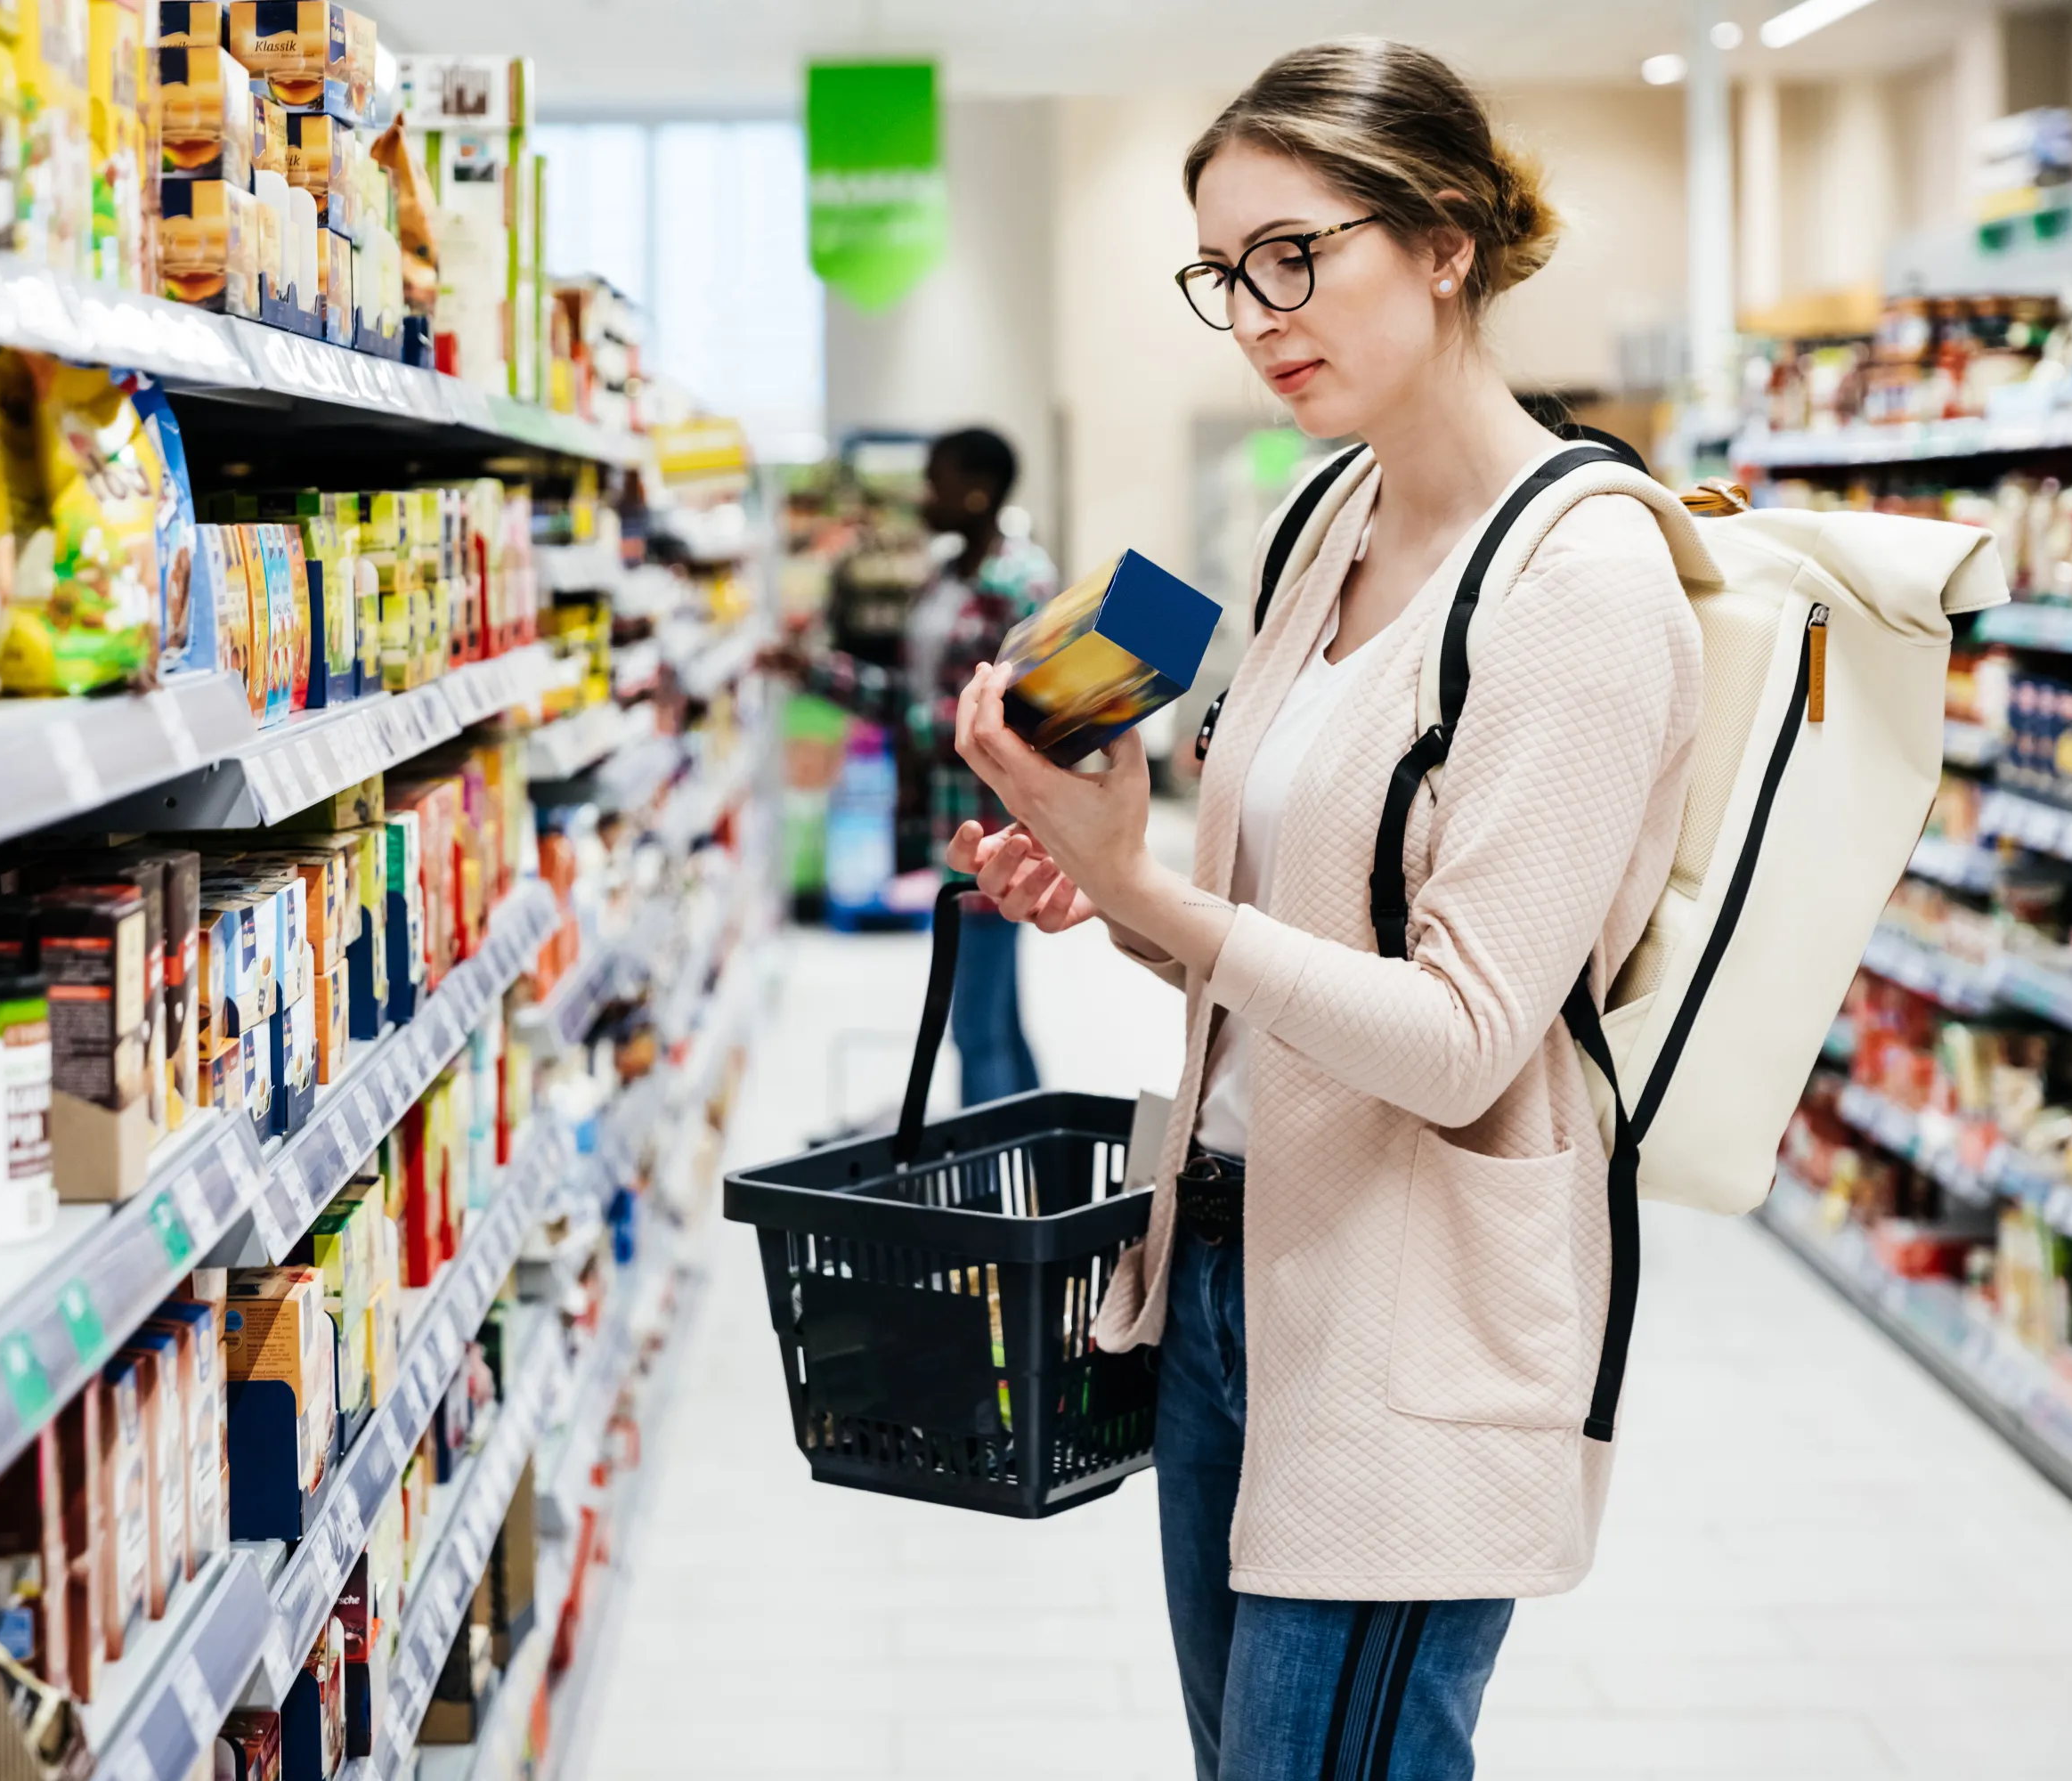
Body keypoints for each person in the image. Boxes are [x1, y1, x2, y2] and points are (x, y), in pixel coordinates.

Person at [945, 39, 1703, 1781]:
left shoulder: (1580, 586)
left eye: (1298, 254)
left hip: (1411, 1312)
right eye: (1226, 274)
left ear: (1445, 239)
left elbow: (1458, 1038)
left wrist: (1158, 890)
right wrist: (1111, 891)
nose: (1260, 311)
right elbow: (1270, 933)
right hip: (1222, 1262)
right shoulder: (1320, 519)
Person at [802, 427, 1058, 1104]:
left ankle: (989, 1192)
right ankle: (1036, 1159)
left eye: (935, 480)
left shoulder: (1021, 581)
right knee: (994, 1015)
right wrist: (811, 671)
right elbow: (910, 699)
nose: (922, 495)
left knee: (975, 1025)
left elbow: (1021, 711)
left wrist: (921, 725)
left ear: (978, 490)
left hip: (999, 825)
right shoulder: (945, 578)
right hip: (950, 819)